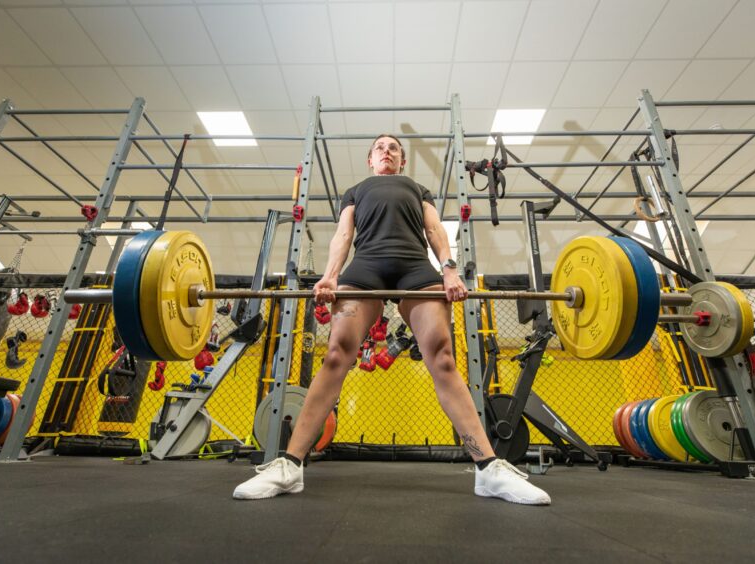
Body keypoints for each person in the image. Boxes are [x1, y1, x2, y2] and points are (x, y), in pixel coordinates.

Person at [233, 135, 550, 505]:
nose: (387, 150)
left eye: (394, 148)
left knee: (443, 358)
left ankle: (489, 470)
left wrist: (448, 271)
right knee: (337, 354)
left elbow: (434, 230)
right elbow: (344, 234)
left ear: (401, 161)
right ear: (370, 159)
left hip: (415, 268)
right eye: (380, 147)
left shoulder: (418, 188)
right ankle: (288, 466)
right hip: (366, 266)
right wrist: (331, 275)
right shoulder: (356, 190)